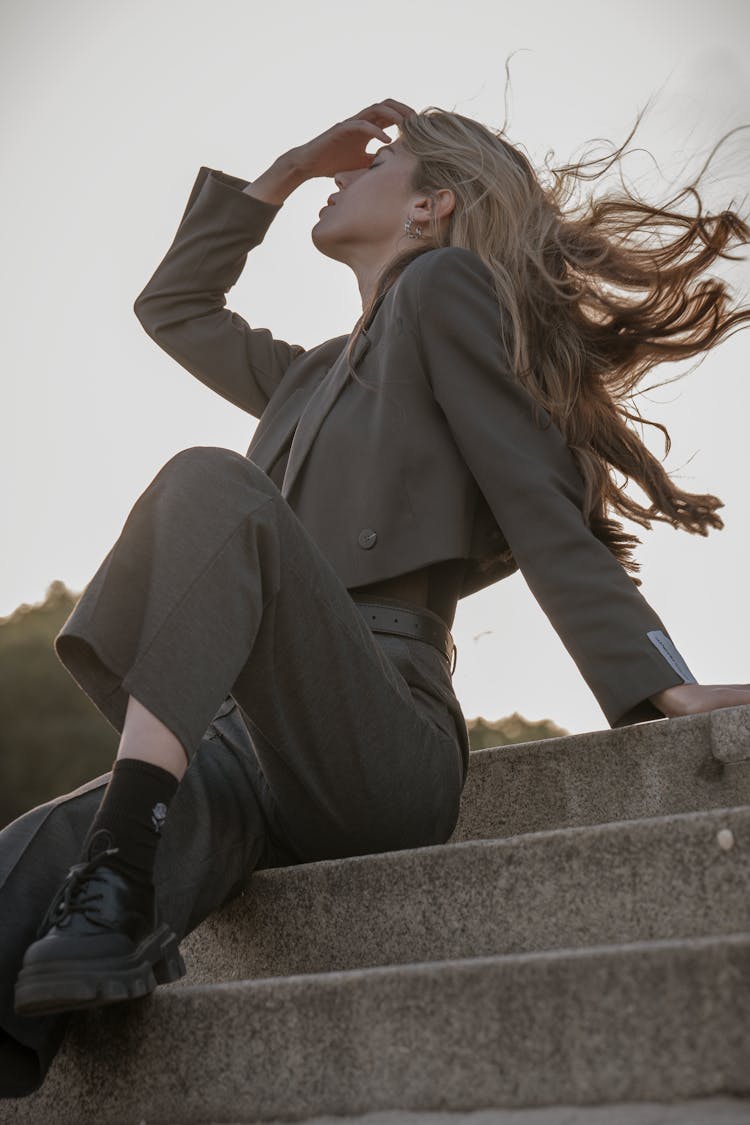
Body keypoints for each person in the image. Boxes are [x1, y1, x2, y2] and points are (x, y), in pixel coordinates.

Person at [2, 97, 749, 1099]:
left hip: (378, 726)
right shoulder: (310, 377)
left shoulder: (444, 289)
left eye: (373, 167)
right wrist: (280, 173)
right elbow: (174, 310)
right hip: (241, 737)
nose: (345, 175)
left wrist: (663, 686)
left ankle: (119, 870)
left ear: (433, 207)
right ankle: (113, 884)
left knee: (208, 481)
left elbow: (536, 499)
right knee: (22, 867)